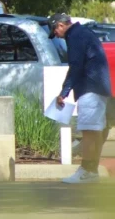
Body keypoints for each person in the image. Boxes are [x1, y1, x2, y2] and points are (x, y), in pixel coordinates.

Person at [50, 13, 112, 184]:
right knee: (96, 130)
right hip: (99, 87)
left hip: (89, 87)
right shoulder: (84, 33)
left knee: (89, 131)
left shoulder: (75, 36)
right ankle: (91, 169)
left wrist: (64, 92)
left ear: (61, 25)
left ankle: (87, 170)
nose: (55, 34)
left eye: (54, 30)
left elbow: (76, 66)